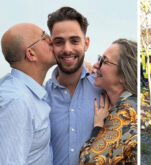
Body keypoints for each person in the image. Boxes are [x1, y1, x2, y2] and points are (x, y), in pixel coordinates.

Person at [45, 7, 102, 165]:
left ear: (86, 43)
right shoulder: (42, 98)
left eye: (74, 41)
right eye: (59, 42)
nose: (67, 49)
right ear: (51, 45)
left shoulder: (104, 89)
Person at [0, 23, 56, 164]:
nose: (52, 39)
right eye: (44, 36)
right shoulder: (16, 101)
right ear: (31, 54)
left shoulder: (32, 91)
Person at [79, 39, 137, 164]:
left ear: (123, 75)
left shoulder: (126, 113)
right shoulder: (130, 103)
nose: (96, 65)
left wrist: (98, 127)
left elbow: (89, 162)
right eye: (99, 59)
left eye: (104, 61)